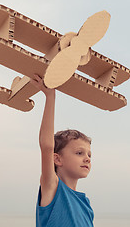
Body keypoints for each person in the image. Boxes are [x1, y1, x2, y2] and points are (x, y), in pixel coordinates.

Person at [30, 74, 94, 227]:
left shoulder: (86, 204)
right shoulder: (52, 187)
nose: (87, 159)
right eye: (79, 153)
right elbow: (46, 146)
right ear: (57, 159)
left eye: (89, 155)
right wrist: (50, 97)